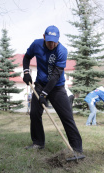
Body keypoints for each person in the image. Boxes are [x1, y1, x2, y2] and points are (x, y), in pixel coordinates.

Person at [22, 25, 83, 154]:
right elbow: (27, 57)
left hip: (57, 87)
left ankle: (77, 148)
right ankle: (38, 143)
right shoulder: (36, 44)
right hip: (39, 84)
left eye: (54, 41)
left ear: (58, 39)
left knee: (67, 116)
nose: (51, 44)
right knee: (34, 114)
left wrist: (45, 94)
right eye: (49, 41)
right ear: (44, 37)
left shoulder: (62, 51)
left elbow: (56, 75)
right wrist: (26, 72)